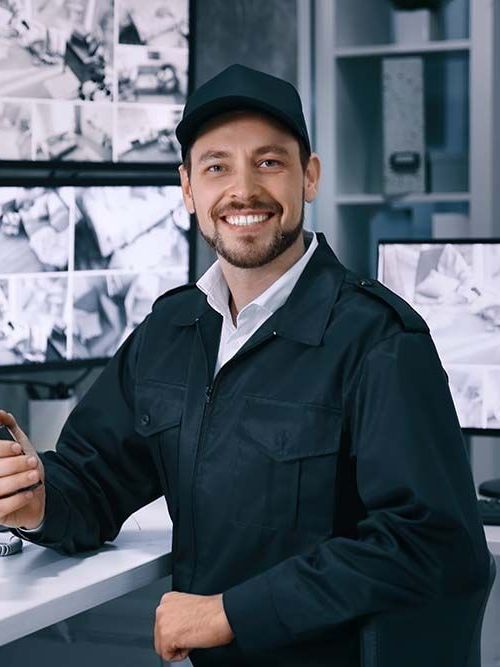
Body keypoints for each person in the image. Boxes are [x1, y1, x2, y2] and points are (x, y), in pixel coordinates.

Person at [0, 64, 490, 666]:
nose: (242, 191)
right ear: (187, 189)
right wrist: (36, 501)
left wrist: (231, 612)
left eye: (268, 162)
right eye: (216, 167)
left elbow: (432, 543)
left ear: (308, 177)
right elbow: (96, 479)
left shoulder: (380, 340)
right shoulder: (171, 330)